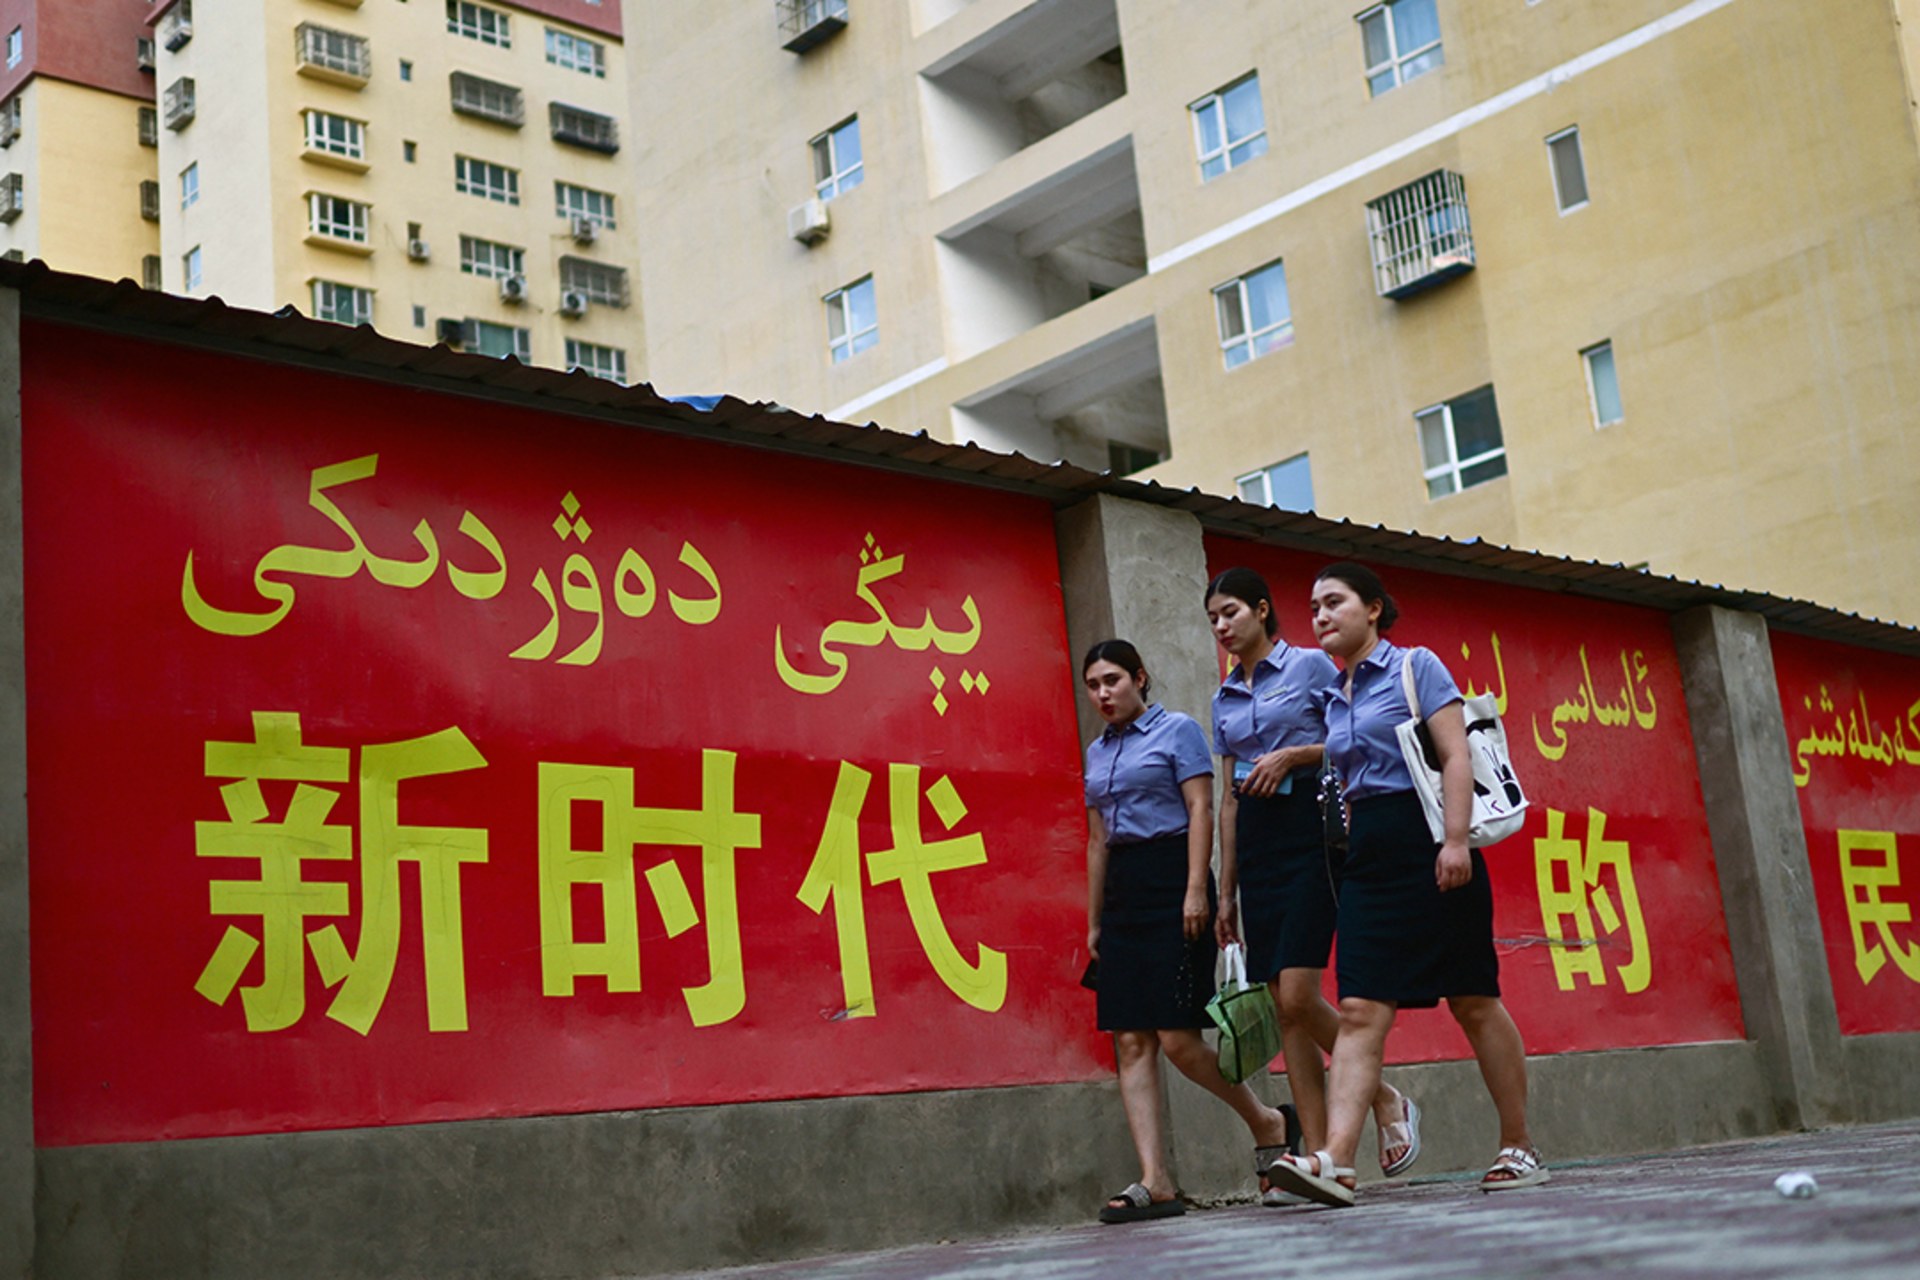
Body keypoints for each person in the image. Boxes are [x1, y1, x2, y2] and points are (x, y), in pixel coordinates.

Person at [1266, 563, 1546, 1207]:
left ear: (1372, 608)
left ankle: (1520, 1143)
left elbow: (1453, 755)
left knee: (1472, 998)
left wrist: (1453, 842)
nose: (1320, 616)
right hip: (1368, 854)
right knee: (1361, 1008)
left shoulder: (1415, 667)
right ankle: (1336, 1159)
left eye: (1334, 602)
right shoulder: (1334, 696)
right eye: (1313, 607)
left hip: (1431, 841)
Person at [1204, 568, 1420, 1201]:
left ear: (1263, 610)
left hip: (1311, 831)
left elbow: (1351, 736)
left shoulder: (1308, 667)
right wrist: (1225, 889)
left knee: (1298, 994)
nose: (1222, 625)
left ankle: (1384, 1095)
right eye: (1213, 616)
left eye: (1231, 611)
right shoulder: (1224, 696)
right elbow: (1227, 799)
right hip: (1259, 845)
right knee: (1282, 1008)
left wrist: (1293, 755)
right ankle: (1324, 1161)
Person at [1080, 639, 1296, 1223]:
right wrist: (1095, 920)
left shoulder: (1176, 731)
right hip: (1124, 889)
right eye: (1094, 685)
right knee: (1130, 1040)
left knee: (1177, 1038)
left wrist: (1198, 888)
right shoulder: (1097, 753)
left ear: (1140, 677)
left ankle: (1267, 1122)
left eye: (1113, 681)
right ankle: (1157, 1180)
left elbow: (1201, 808)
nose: (1103, 693)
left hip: (1174, 874)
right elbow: (1098, 840)